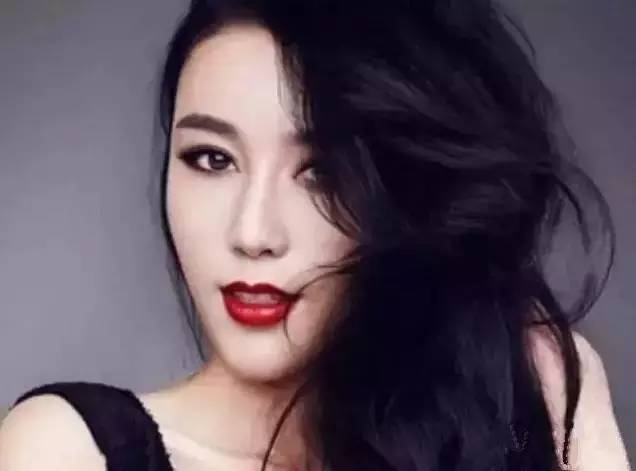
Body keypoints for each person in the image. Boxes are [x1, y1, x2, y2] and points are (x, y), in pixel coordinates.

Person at [0, 1, 631, 470]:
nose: (253, 233)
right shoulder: (69, 451)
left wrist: (577, 407)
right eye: (212, 159)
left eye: (323, 172)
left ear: (410, 193)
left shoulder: (470, 439)